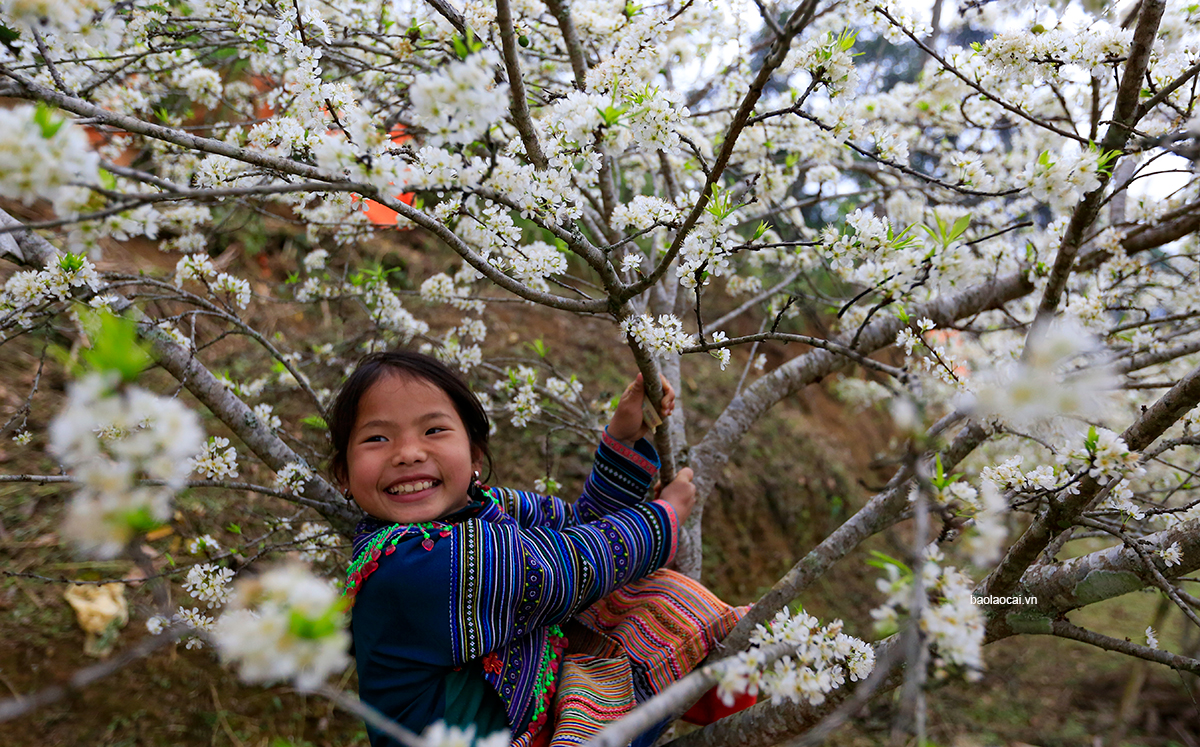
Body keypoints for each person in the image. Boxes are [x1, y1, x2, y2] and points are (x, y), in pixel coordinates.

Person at [329, 351, 753, 747]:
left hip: (531, 725)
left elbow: (583, 529)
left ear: (474, 455)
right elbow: (555, 573)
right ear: (343, 476)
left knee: (641, 589)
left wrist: (623, 441)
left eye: (434, 430)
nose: (408, 453)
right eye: (377, 438)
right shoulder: (407, 567)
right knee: (641, 592)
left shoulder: (487, 509)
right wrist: (665, 517)